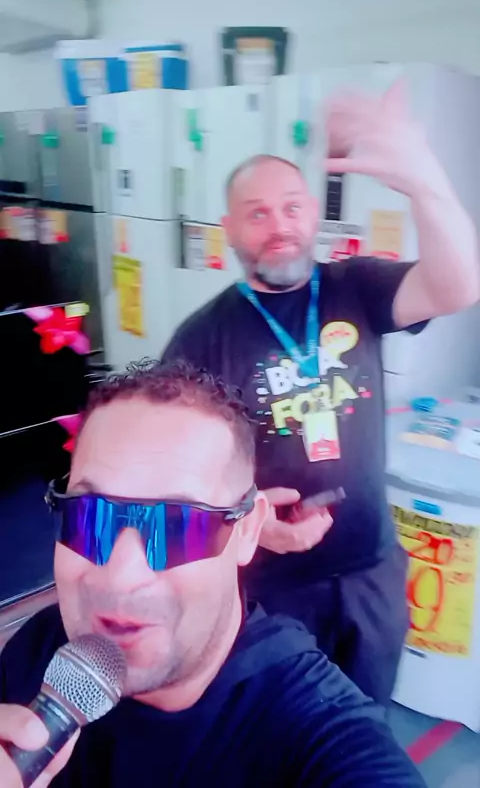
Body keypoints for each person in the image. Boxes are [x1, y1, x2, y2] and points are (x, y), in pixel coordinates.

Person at [162, 82, 480, 706]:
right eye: (257, 213)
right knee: (279, 734)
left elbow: (458, 285)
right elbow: (173, 480)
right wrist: (244, 522)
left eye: (290, 207)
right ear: (229, 229)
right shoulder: (200, 339)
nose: (279, 226)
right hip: (267, 589)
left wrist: (423, 181)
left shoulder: (355, 286)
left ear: (311, 212)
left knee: (364, 724)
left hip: (370, 572)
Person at [0, 360, 427, 788]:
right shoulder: (38, 649)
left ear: (247, 531)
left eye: (178, 526)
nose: (121, 575)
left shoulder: (317, 735)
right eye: (88, 517)